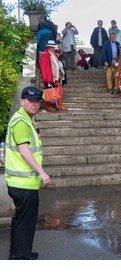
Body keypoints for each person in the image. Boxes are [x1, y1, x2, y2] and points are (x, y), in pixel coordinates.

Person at [5, 86, 51, 260]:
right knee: (25, 222)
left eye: (38, 101)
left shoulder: (23, 119)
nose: (35, 104)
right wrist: (42, 173)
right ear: (21, 101)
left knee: (21, 221)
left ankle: (18, 253)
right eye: (31, 101)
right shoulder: (21, 122)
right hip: (23, 183)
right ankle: (21, 257)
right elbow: (24, 151)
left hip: (19, 182)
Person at [39, 40, 66, 111]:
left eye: (52, 47)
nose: (52, 48)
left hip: (54, 77)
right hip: (49, 77)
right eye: (51, 47)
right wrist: (46, 78)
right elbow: (44, 67)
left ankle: (58, 105)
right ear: (48, 47)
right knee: (49, 92)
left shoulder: (52, 54)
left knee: (57, 91)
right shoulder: (46, 54)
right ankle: (49, 106)